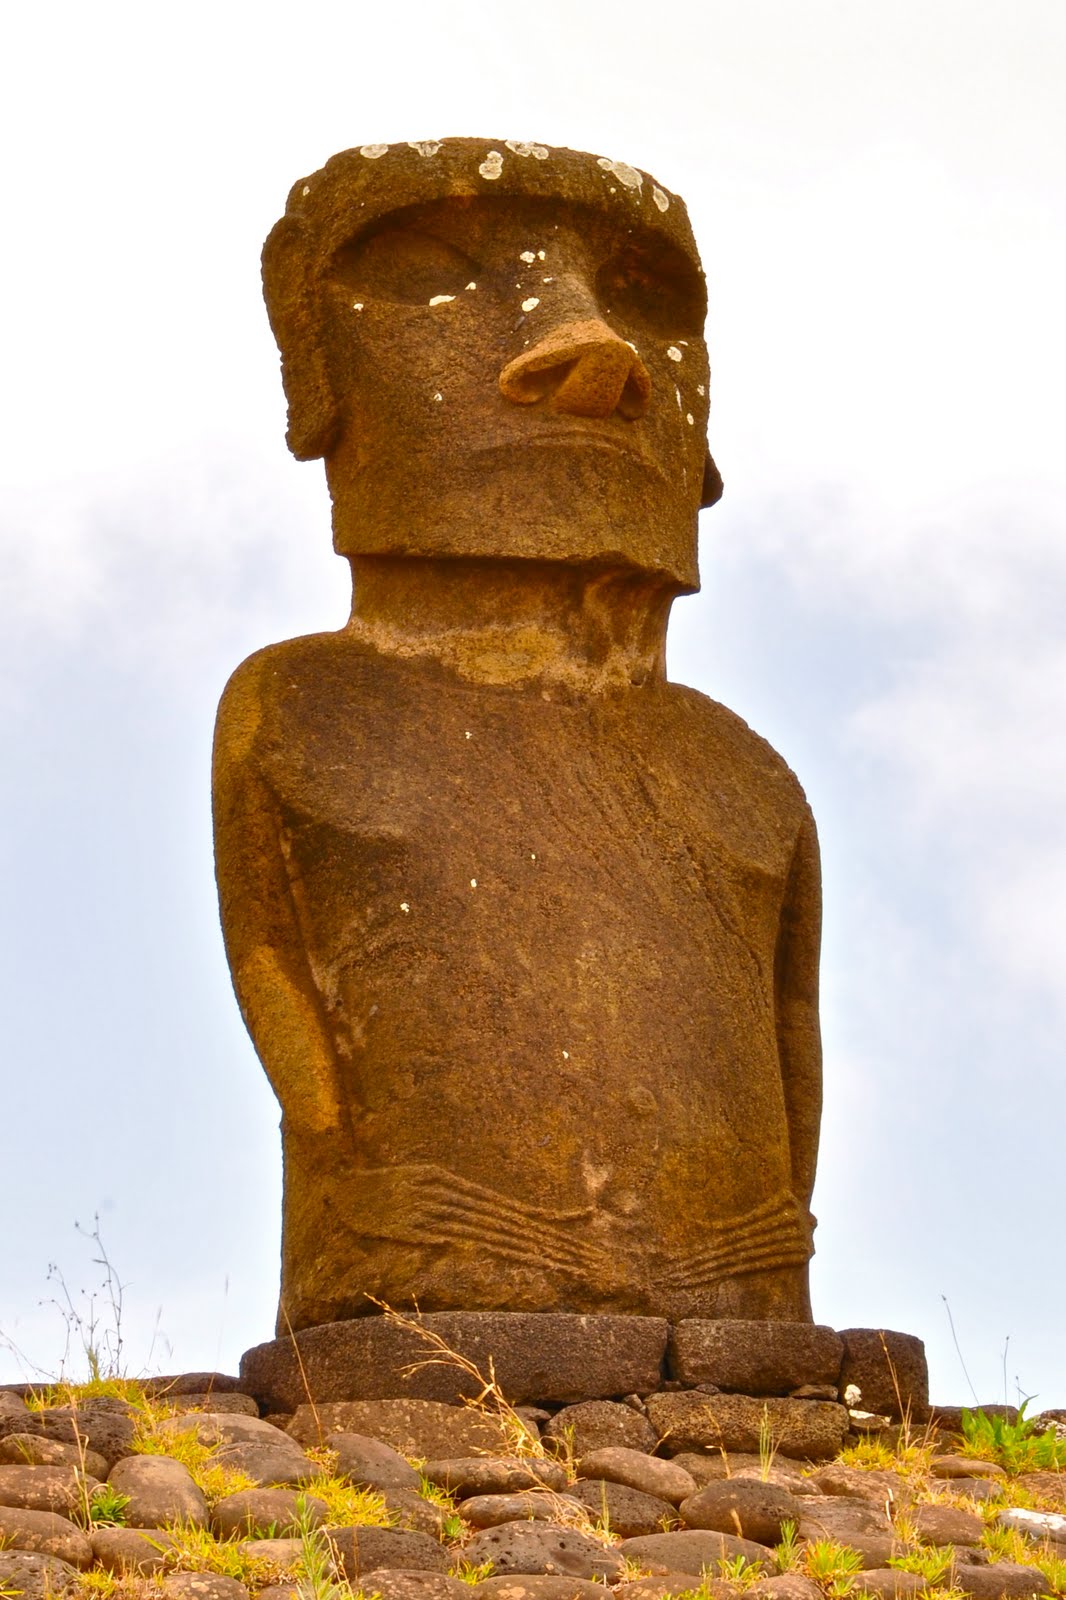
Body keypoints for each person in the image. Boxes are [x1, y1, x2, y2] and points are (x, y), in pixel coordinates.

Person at [214, 140, 822, 1334]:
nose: (592, 353)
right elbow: (277, 984)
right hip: (423, 1277)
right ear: (313, 369)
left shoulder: (744, 772)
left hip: (736, 1295)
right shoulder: (300, 708)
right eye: (428, 274)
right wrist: (357, 1176)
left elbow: (790, 1034)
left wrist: (759, 1238)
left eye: (645, 300)